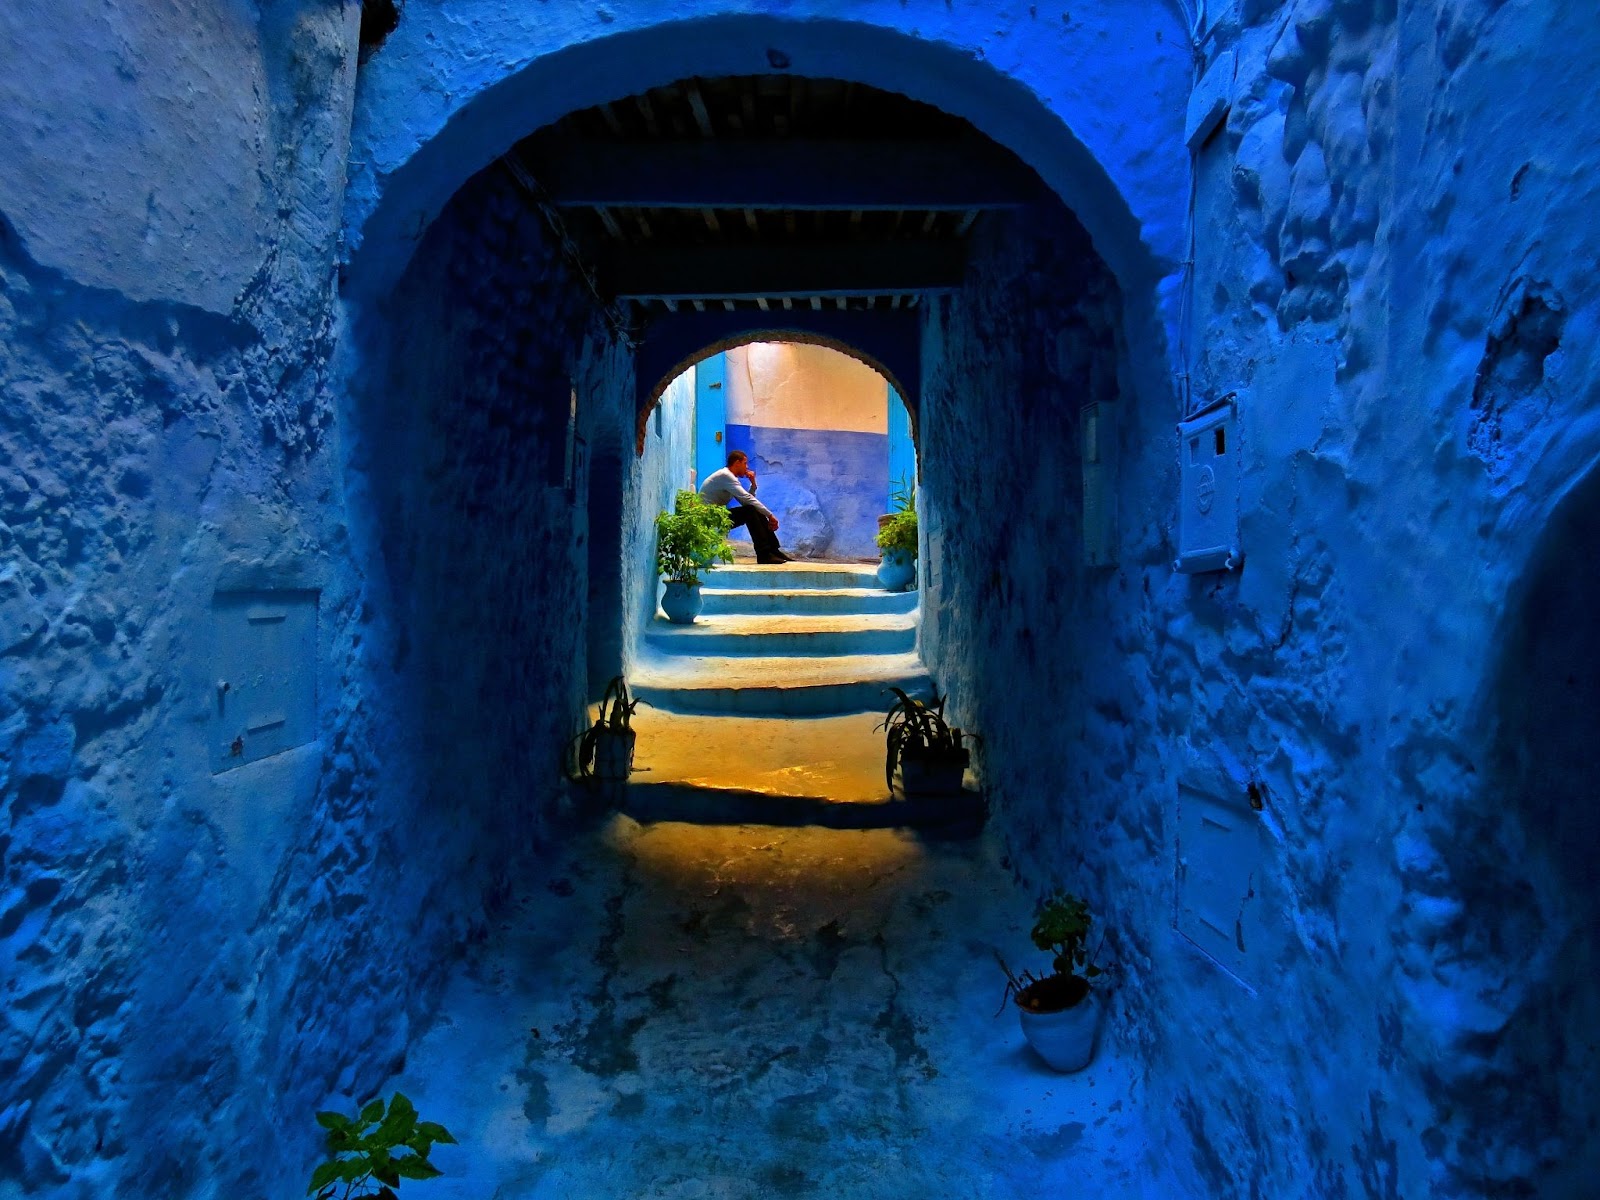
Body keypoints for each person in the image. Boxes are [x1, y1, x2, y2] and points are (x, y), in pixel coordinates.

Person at [699, 450, 790, 564]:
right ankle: (764, 554)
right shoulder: (726, 476)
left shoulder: (730, 478)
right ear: (737, 463)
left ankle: (773, 550)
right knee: (750, 510)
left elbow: (746, 502)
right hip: (709, 519)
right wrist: (770, 515)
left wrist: (753, 484)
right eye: (745, 463)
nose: (747, 467)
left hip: (716, 517)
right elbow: (747, 500)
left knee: (752, 509)